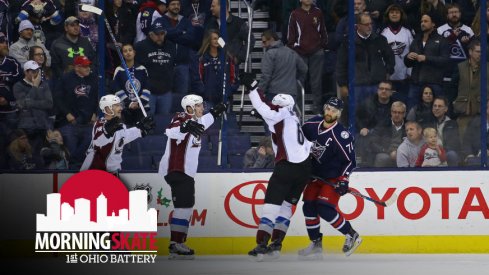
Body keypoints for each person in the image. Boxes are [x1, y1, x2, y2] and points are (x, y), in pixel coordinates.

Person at [240, 73, 312, 261]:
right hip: (304, 169)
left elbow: (264, 107)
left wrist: (253, 88)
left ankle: (261, 243)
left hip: (286, 168)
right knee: (286, 208)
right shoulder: (293, 116)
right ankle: (276, 245)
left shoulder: (277, 115)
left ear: (279, 106)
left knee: (271, 207)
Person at [158, 94, 226, 259]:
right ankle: (176, 244)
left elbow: (205, 121)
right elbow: (170, 131)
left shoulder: (198, 120)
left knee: (185, 207)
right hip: (177, 169)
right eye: (199, 106)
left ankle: (177, 243)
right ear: (189, 108)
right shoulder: (181, 118)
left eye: (203, 105)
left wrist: (216, 112)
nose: (203, 108)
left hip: (184, 172)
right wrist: (184, 128)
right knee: (183, 207)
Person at [299, 97, 361, 259]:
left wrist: (344, 179)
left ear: (339, 114)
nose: (329, 113)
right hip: (314, 176)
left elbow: (350, 161)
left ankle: (352, 234)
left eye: (334, 111)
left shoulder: (341, 135)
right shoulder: (311, 125)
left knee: (324, 208)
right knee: (308, 207)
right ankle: (316, 243)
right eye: (328, 109)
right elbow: (297, 141)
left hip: (333, 177)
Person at [80, 95, 155, 174]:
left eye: (120, 105)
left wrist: (141, 128)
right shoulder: (99, 124)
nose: (120, 108)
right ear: (107, 108)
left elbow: (125, 137)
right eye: (116, 105)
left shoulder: (121, 126)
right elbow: (98, 142)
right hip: (93, 171)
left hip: (113, 172)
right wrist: (108, 131)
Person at [112, 43, 152, 127]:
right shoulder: (119, 70)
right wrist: (129, 103)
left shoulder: (142, 69)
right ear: (122, 54)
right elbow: (117, 89)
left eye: (130, 50)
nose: (128, 53)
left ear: (134, 52)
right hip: (125, 109)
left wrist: (139, 103)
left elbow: (147, 88)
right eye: (125, 51)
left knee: (141, 132)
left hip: (141, 107)